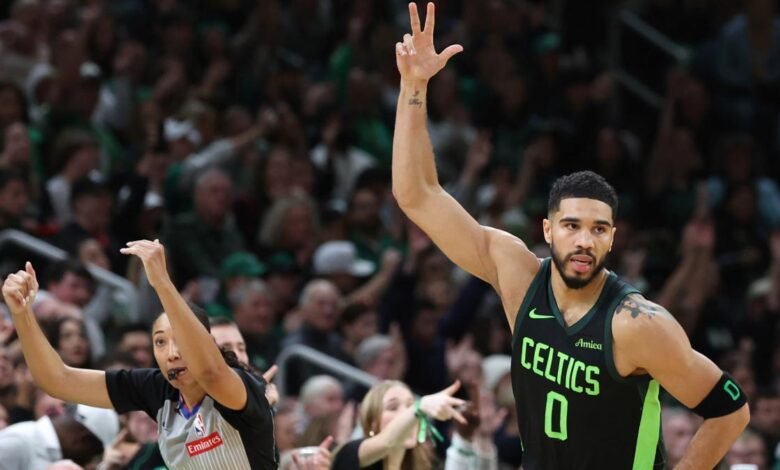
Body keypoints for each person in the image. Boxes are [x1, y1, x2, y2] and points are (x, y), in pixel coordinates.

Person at [391, 3, 750, 469]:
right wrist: (414, 86)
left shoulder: (638, 324)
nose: (584, 240)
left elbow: (730, 411)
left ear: (613, 239)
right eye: (571, 226)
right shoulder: (517, 274)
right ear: (547, 230)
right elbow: (417, 195)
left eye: (598, 229)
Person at [1, 238, 278, 469]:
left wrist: (162, 283)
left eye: (180, 340)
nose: (171, 353)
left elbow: (210, 371)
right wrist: (22, 314)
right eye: (159, 342)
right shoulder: (158, 389)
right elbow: (57, 381)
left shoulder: (242, 388)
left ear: (208, 343)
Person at [331, 380, 466, 470]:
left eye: (409, 405)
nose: (405, 414)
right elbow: (387, 443)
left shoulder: (424, 466)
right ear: (372, 424)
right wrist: (421, 406)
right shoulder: (348, 452)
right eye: (393, 407)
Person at [0, 403, 119, 469]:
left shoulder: (53, 454)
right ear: (82, 439)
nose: (88, 461)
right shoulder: (19, 441)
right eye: (93, 454)